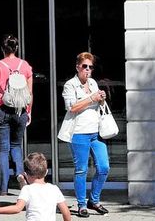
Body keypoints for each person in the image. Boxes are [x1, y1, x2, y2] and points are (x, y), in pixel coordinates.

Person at [0, 34, 34, 195]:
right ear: (16, 48)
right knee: (16, 145)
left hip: (1, 110)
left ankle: (3, 188)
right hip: (20, 111)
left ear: (2, 49)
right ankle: (20, 173)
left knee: (3, 150)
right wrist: (29, 111)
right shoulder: (25, 66)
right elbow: (30, 93)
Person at [62, 52, 109, 218]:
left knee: (103, 167)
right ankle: (82, 204)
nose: (88, 69)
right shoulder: (70, 85)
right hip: (79, 133)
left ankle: (94, 200)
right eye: (84, 66)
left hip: (96, 133)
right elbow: (72, 107)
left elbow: (98, 103)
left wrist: (101, 98)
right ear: (77, 67)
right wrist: (92, 98)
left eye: (90, 67)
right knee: (81, 170)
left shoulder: (93, 83)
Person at [0, 153, 71, 221]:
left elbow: (17, 208)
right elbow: (66, 212)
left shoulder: (27, 189)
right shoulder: (54, 189)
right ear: (46, 172)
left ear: (25, 174)